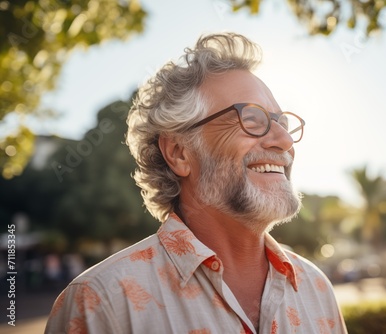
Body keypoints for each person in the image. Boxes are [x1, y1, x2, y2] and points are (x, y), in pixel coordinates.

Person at [45, 32, 348, 334]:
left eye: (282, 123)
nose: (283, 141)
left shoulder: (316, 289)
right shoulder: (101, 302)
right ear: (179, 153)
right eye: (252, 120)